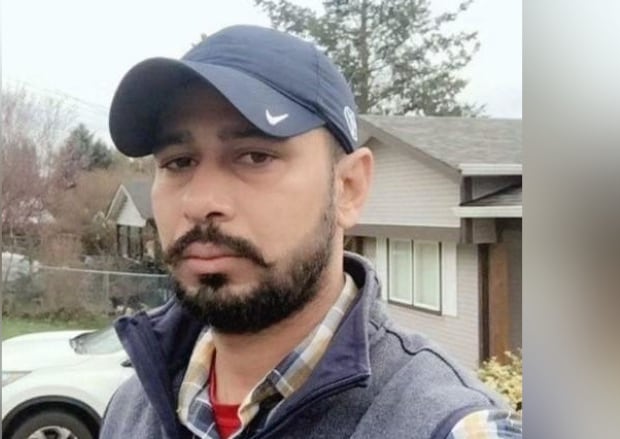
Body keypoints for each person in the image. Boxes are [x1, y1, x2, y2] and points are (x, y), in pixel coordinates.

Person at [101, 25, 521, 439]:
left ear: (348, 188)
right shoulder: (131, 409)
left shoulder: (444, 424)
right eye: (178, 162)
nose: (200, 201)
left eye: (254, 156)